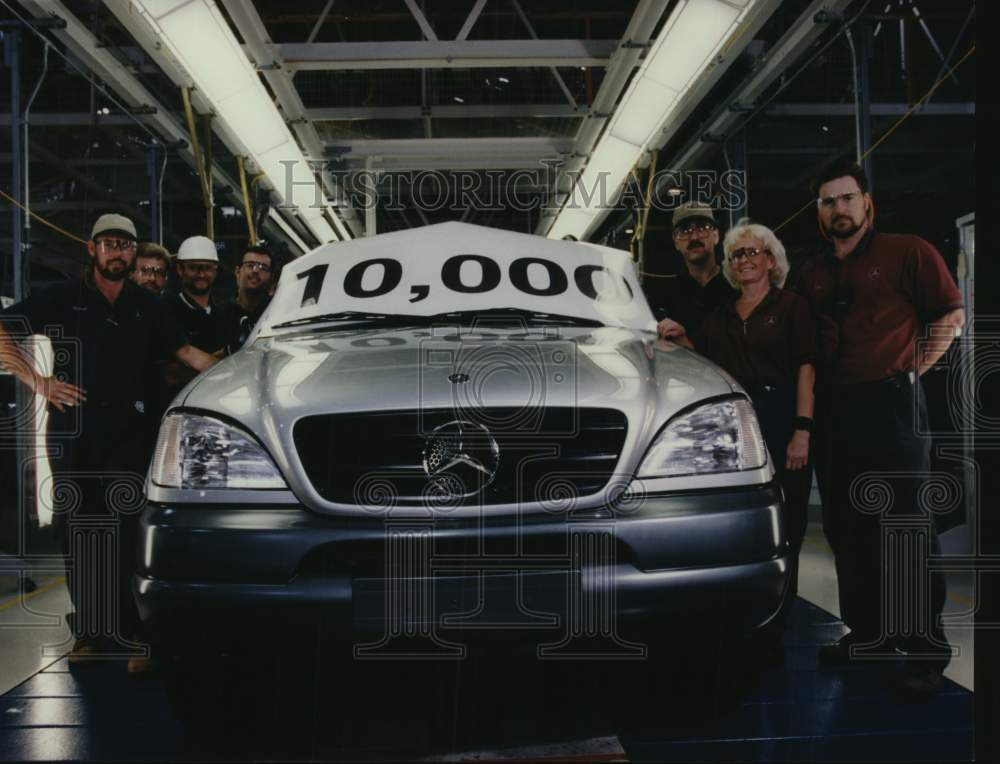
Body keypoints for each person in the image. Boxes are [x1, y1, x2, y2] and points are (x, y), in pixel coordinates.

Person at [0, 214, 218, 672]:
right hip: (73, 434)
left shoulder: (146, 305)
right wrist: (38, 382)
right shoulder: (61, 297)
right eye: (109, 243)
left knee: (127, 533)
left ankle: (137, 633)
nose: (117, 252)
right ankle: (90, 634)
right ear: (92, 248)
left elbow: (187, 353)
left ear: (134, 252)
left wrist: (238, 367)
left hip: (128, 437)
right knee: (80, 533)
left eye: (125, 245)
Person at [797, 158, 965, 696]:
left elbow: (950, 316)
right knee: (848, 527)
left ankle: (924, 652)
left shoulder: (907, 251)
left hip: (891, 403)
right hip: (835, 409)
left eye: (847, 198)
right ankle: (869, 634)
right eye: (828, 201)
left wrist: (911, 370)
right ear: (819, 212)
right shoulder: (812, 272)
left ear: (866, 202)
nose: (839, 209)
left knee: (905, 526)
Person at [657, 219, 816, 662]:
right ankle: (749, 616)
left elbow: (806, 369)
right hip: (741, 423)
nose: (744, 260)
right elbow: (704, 357)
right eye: (736, 255)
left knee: (789, 522)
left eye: (752, 252)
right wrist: (678, 338)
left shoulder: (792, 307)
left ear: (771, 260)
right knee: (750, 522)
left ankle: (781, 616)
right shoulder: (723, 315)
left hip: (783, 417)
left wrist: (802, 429)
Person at [643, 201, 736, 345]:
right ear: (676, 242)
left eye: (702, 228)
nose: (694, 237)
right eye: (685, 231)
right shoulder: (666, 296)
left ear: (716, 235)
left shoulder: (735, 286)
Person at [225, 245, 274, 354]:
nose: (256, 271)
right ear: (237, 271)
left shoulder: (277, 313)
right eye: (250, 265)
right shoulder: (220, 314)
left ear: (270, 277)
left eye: (263, 268)